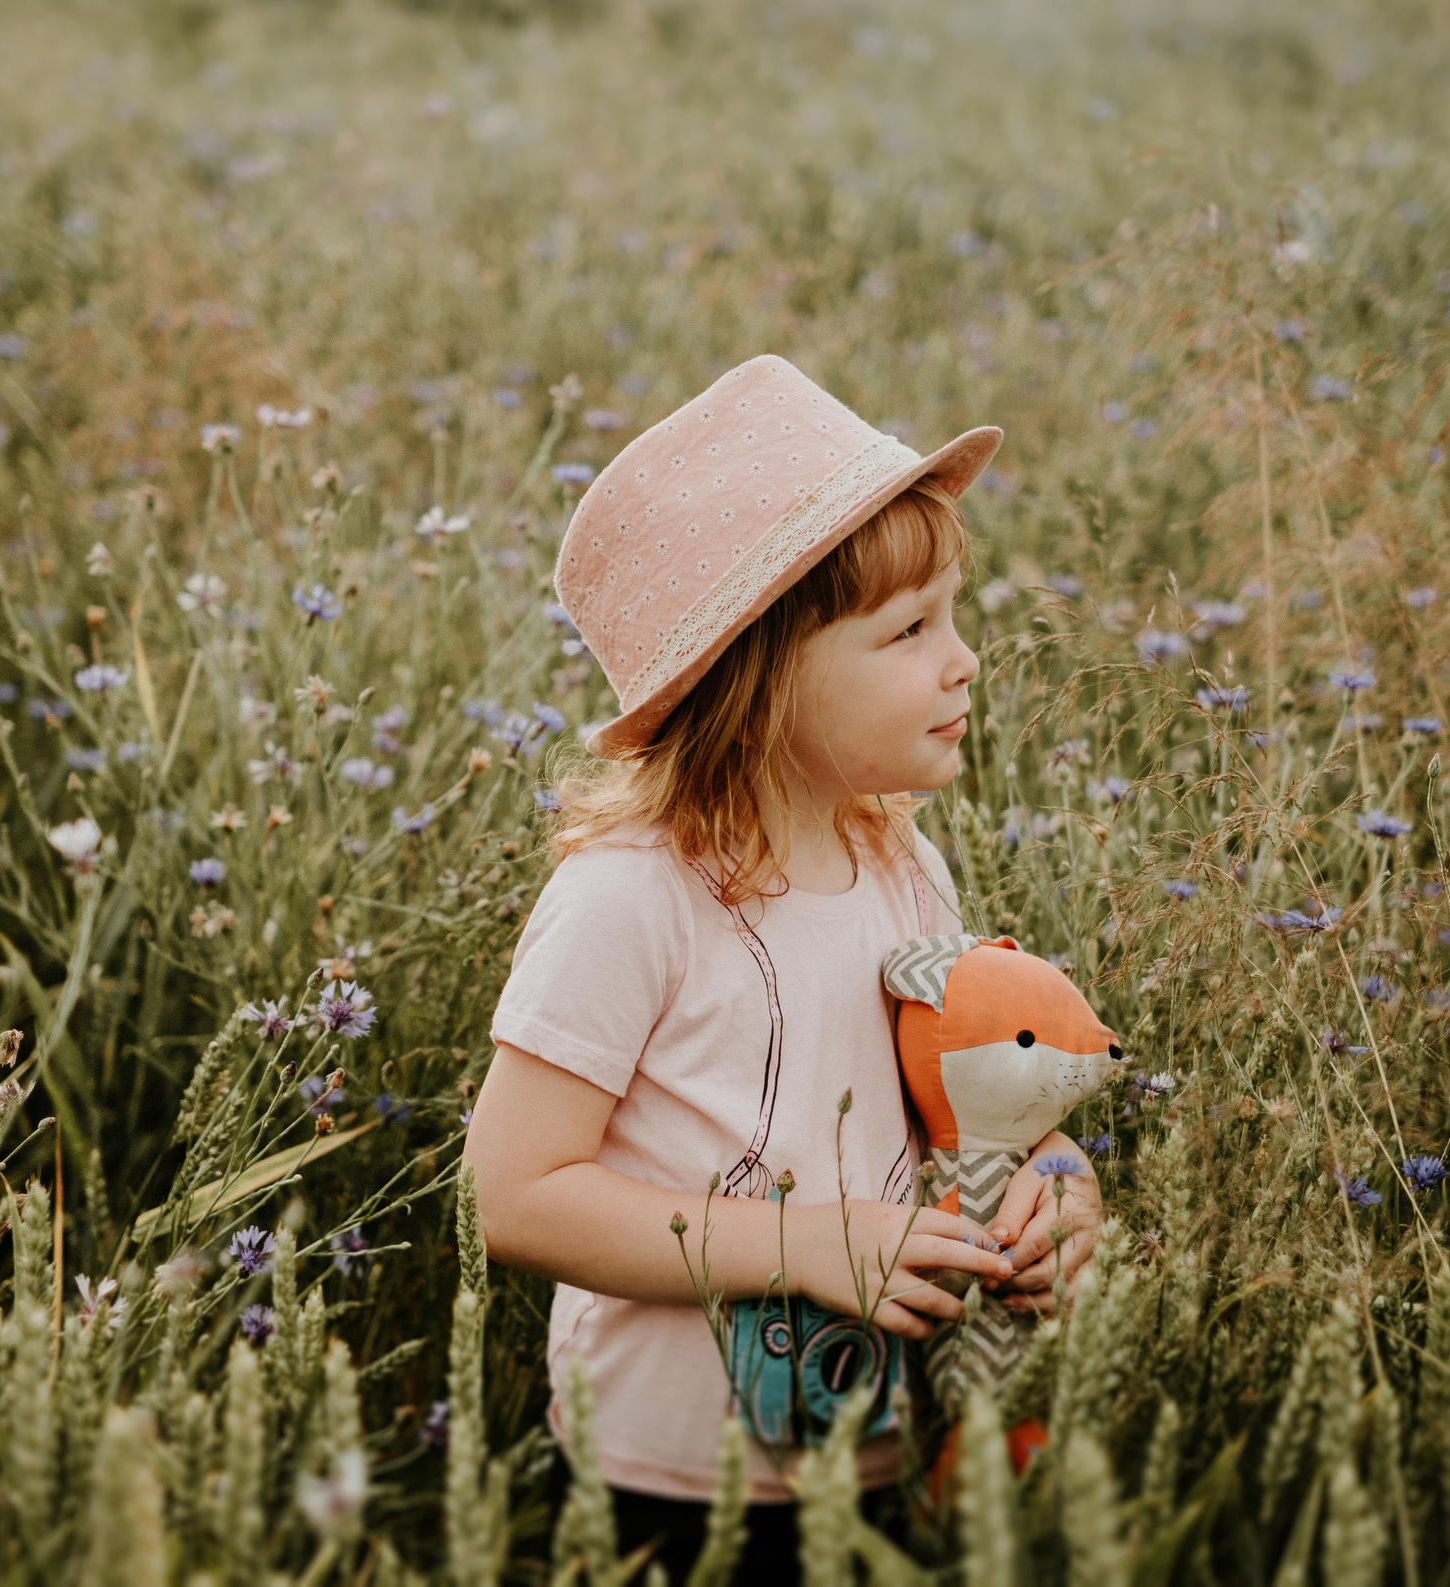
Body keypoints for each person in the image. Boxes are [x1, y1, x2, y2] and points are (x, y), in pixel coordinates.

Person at [464, 356, 1104, 1582]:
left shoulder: (901, 861)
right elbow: (517, 1194)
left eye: (953, 615)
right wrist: (806, 1246)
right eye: (910, 631)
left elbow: (961, 1108)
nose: (964, 659)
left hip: (880, 1439)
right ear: (758, 683)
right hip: (669, 1480)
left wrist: (1053, 1188)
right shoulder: (628, 897)